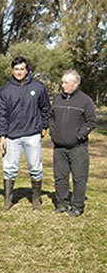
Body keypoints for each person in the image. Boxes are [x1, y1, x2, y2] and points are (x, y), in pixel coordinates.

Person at [0, 56, 50, 211]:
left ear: (27, 70)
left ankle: (36, 200)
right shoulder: (6, 90)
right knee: (9, 168)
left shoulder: (38, 87)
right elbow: (0, 113)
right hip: (12, 136)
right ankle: (8, 201)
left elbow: (45, 107)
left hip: (32, 133)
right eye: (16, 69)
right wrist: (2, 134)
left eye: (22, 69)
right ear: (12, 70)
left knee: (35, 167)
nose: (19, 72)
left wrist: (44, 126)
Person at [49, 70, 96, 217]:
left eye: (66, 83)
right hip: (59, 147)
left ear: (75, 84)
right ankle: (61, 204)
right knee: (60, 177)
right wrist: (53, 132)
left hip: (78, 147)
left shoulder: (85, 100)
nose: (62, 85)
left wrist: (79, 135)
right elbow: (51, 117)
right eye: (62, 82)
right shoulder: (57, 99)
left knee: (79, 178)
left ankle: (77, 206)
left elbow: (91, 121)